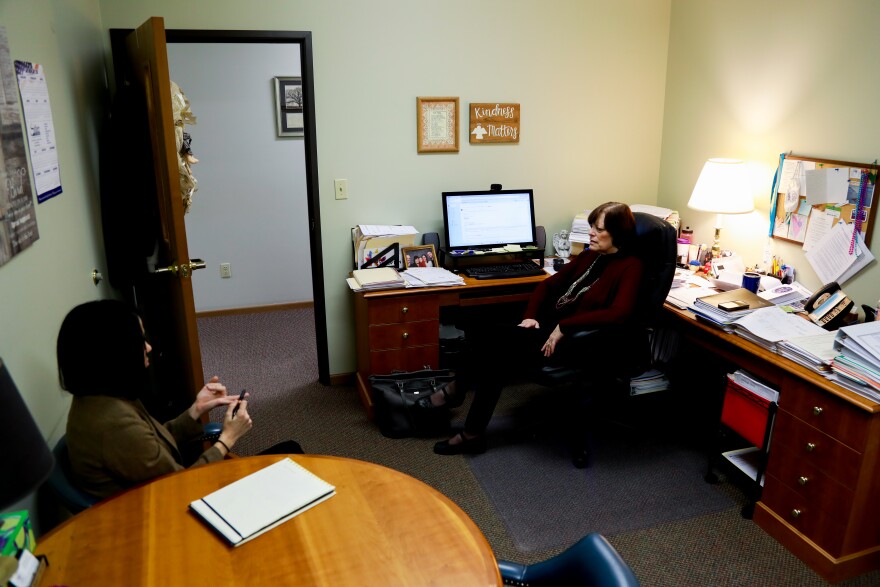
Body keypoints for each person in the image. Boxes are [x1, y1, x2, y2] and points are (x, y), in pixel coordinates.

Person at [430, 202, 644, 455]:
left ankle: (457, 404)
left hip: (579, 342)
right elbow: (546, 286)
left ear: (617, 232)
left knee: (494, 351)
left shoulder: (631, 267)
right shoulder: (589, 255)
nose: (591, 234)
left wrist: (565, 326)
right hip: (547, 329)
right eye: (591, 227)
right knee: (485, 337)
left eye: (598, 229)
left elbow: (618, 313)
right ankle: (466, 420)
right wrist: (531, 316)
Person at [58, 300, 301, 500]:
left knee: (290, 453)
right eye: (140, 341)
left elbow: (149, 448)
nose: (149, 347)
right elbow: (181, 488)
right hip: (177, 510)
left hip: (161, 498)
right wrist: (227, 439)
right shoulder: (113, 425)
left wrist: (196, 410)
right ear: (113, 354)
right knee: (293, 460)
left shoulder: (97, 399)